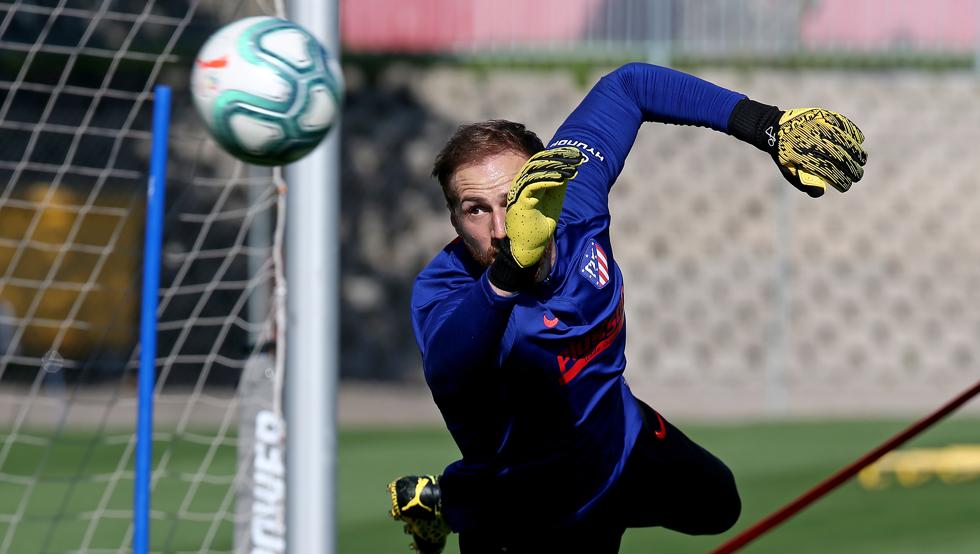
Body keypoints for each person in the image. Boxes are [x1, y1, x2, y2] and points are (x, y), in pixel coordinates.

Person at [387, 62, 867, 554]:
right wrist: (509, 272)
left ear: (545, 185)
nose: (501, 227)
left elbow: (630, 85)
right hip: (531, 510)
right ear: (454, 218)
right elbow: (451, 366)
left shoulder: (575, 198)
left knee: (719, 505)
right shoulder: (446, 290)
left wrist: (766, 124)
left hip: (622, 442)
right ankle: (456, 503)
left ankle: (447, 499)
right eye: (475, 209)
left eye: (515, 199)